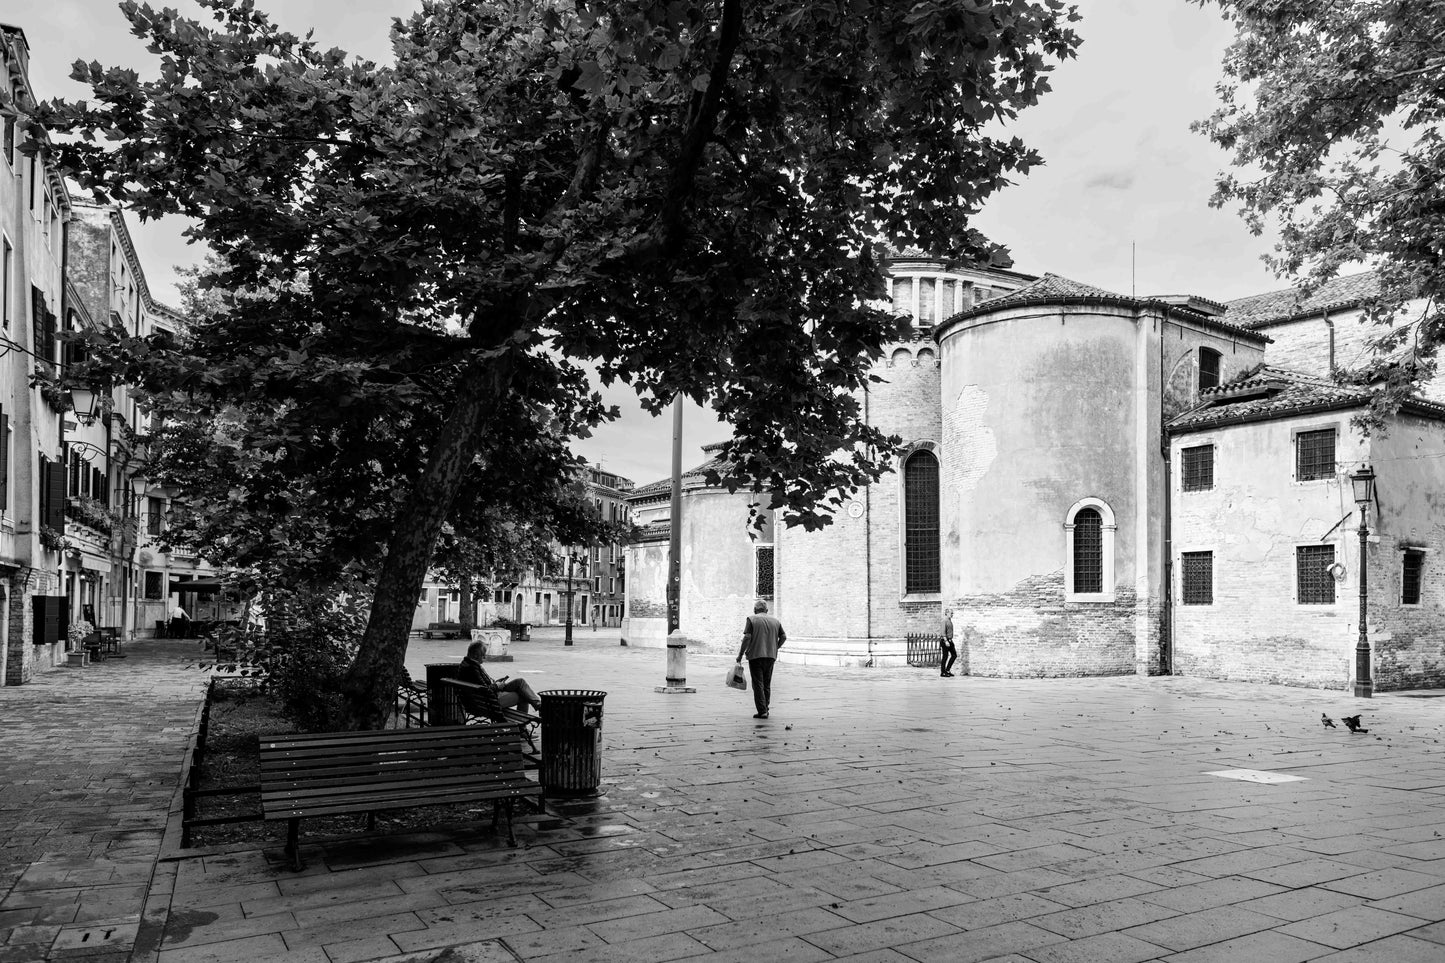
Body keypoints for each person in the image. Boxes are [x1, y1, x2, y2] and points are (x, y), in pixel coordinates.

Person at [457, 641, 541, 715]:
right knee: (524, 696)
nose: (485, 658)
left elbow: (481, 685)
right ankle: (523, 727)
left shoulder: (466, 664)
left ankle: (538, 705)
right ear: (475, 655)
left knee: (520, 682)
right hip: (489, 701)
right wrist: (496, 686)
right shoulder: (472, 668)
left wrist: (496, 683)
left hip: (481, 700)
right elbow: (485, 690)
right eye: (483, 656)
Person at [735, 600, 786, 719]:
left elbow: (747, 637)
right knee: (766, 684)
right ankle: (765, 709)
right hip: (770, 656)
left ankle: (762, 710)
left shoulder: (752, 619)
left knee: (758, 683)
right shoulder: (775, 621)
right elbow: (783, 637)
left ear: (755, 610)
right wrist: (775, 647)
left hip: (756, 656)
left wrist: (740, 654)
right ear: (767, 611)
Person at [940, 608, 957, 677]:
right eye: (951, 613)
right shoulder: (944, 621)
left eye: (952, 613)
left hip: (950, 640)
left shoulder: (949, 621)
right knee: (945, 657)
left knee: (954, 655)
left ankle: (947, 670)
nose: (952, 614)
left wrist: (950, 640)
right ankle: (943, 672)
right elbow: (943, 632)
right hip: (945, 641)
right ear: (946, 613)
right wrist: (946, 641)